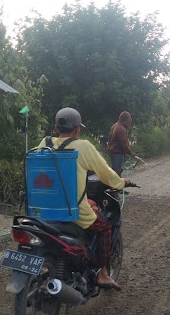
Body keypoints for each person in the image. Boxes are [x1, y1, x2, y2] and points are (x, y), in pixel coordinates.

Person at [37, 107, 129, 291]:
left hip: (43, 208)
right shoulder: (83, 147)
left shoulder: (45, 142)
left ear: (56, 128)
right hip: (73, 211)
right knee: (105, 227)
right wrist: (120, 183)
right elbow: (105, 173)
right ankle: (102, 274)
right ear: (77, 129)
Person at [107, 111, 136, 176]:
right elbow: (124, 143)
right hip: (118, 153)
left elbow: (109, 139)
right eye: (129, 120)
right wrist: (130, 153)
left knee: (115, 172)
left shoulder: (115, 125)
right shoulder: (121, 129)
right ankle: (116, 186)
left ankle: (116, 185)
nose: (130, 122)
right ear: (126, 120)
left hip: (114, 152)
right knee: (117, 173)